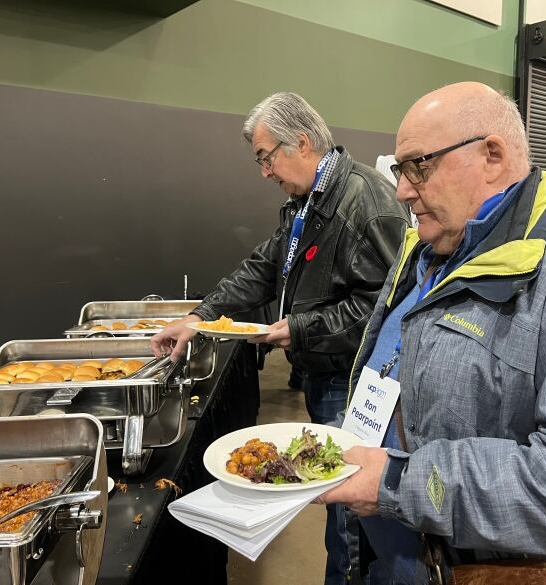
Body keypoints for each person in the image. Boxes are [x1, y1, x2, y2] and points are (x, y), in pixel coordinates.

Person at [321, 82, 546, 584]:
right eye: (399, 169)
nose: (402, 189)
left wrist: (400, 482)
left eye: (418, 165)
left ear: (492, 155)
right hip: (393, 553)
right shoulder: (431, 252)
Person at [151, 91, 410, 585]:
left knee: (350, 514)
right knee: (333, 501)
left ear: (303, 142)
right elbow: (263, 268)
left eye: (266, 158)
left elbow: (386, 307)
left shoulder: (368, 203)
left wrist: (302, 327)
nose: (264, 172)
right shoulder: (305, 202)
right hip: (323, 371)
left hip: (353, 381)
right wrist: (199, 317)